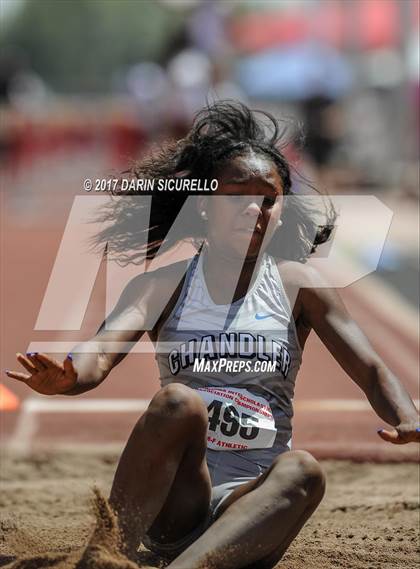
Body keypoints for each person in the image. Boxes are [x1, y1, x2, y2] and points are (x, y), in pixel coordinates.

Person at [6, 101, 419, 569]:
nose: (253, 210)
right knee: (179, 402)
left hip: (249, 512)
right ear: (203, 206)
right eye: (235, 197)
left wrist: (407, 418)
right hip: (179, 503)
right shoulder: (161, 286)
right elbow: (100, 352)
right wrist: (69, 375)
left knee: (304, 470)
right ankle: (105, 558)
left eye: (268, 199)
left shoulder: (300, 286)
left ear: (281, 210)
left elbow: (369, 367)